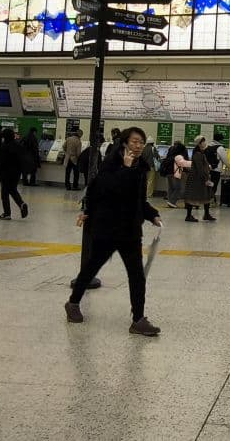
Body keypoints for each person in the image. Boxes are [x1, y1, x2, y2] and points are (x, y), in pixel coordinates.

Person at [64, 126, 162, 336]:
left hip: (130, 231)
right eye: (134, 141)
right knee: (91, 268)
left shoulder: (141, 168)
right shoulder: (111, 164)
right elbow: (105, 191)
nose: (138, 146)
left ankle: (138, 319)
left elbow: (138, 200)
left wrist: (152, 214)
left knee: (137, 276)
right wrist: (125, 168)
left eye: (141, 142)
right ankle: (73, 303)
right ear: (125, 142)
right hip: (108, 228)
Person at [0, 128, 29, 221]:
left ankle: (7, 213)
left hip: (6, 173)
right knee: (13, 190)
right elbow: (23, 160)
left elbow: (0, 161)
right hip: (16, 173)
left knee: (5, 193)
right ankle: (21, 204)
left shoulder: (4, 147)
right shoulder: (19, 146)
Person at [183, 135, 216, 222]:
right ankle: (189, 216)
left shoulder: (200, 153)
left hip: (198, 178)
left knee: (207, 196)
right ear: (199, 143)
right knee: (192, 197)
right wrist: (206, 178)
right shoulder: (198, 154)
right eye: (203, 141)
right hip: (197, 179)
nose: (205, 143)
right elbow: (200, 168)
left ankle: (206, 214)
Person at [206, 132, 230, 201]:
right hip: (216, 170)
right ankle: (210, 201)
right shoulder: (220, 148)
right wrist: (229, 166)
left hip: (207, 169)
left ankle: (206, 199)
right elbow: (225, 159)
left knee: (208, 185)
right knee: (213, 185)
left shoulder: (208, 146)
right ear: (221, 140)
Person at [165, 141, 189, 208]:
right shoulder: (183, 150)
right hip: (176, 171)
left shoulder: (171, 149)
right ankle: (172, 201)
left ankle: (170, 202)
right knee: (178, 188)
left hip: (168, 171)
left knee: (171, 188)